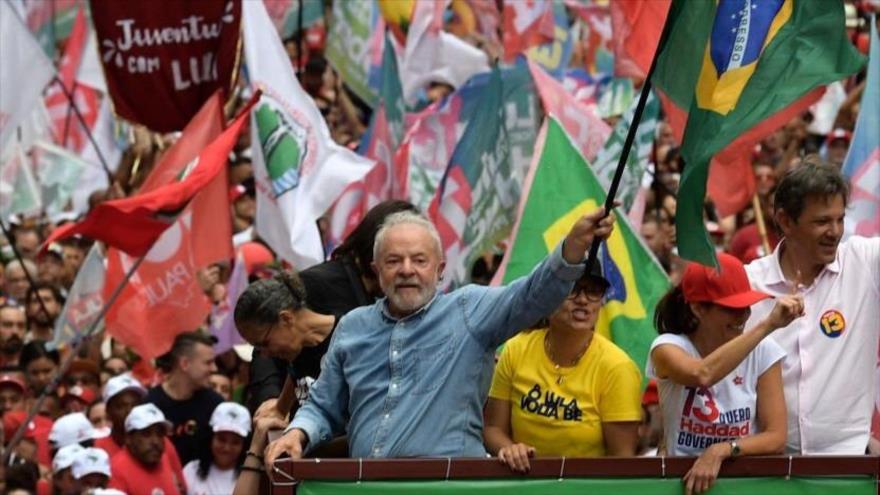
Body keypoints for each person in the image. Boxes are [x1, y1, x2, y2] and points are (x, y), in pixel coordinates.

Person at [256, 207, 615, 463]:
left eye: (419, 260)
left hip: (449, 487)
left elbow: (533, 294)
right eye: (394, 261)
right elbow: (323, 405)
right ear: (377, 271)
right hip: (366, 490)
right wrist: (296, 434)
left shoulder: (470, 310)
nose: (407, 271)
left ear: (440, 269)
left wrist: (572, 248)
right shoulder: (352, 327)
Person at [744, 157, 880, 454]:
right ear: (785, 221)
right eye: (821, 221)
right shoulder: (749, 284)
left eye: (840, 219)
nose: (835, 231)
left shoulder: (864, 262)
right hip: (768, 469)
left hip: (849, 467)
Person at [648, 253, 804, 495]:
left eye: (746, 306)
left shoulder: (765, 351)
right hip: (679, 483)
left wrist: (721, 450)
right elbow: (702, 374)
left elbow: (776, 437)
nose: (743, 317)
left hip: (741, 483)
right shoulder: (668, 347)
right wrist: (768, 324)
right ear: (698, 308)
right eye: (732, 309)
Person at [245, 200, 418, 414]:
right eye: (396, 256)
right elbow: (267, 340)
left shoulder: (399, 299)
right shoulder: (317, 283)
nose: (408, 268)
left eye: (418, 257)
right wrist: (272, 400)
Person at [484, 265, 643, 472]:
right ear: (547, 296)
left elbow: (622, 459)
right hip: (523, 481)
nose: (583, 300)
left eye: (593, 292)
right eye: (572, 288)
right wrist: (509, 449)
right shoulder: (516, 349)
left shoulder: (617, 367)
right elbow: (493, 428)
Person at [146, 332, 223, 465]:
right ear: (185, 364)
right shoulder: (150, 405)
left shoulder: (215, 404)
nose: (214, 368)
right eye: (208, 363)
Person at [94, 373, 183, 478]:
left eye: (135, 404)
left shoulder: (161, 443)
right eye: (121, 406)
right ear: (108, 412)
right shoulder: (99, 449)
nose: (130, 411)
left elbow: (180, 488)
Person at [107, 403, 185, 495]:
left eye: (160, 434)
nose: (155, 441)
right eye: (146, 434)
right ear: (128, 438)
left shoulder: (164, 458)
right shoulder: (115, 471)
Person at [182, 402, 250, 495]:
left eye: (235, 442)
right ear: (210, 438)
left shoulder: (249, 479)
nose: (227, 448)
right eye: (221, 439)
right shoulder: (191, 471)